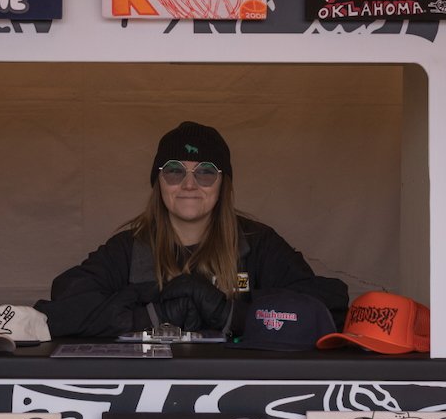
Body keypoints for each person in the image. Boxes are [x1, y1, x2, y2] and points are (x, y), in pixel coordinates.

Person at [37, 121, 348, 337]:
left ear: (223, 184)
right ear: (158, 182)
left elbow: (328, 307)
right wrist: (153, 311)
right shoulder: (129, 247)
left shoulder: (256, 243)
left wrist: (230, 313)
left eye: (205, 172)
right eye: (174, 171)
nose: (188, 184)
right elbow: (63, 307)